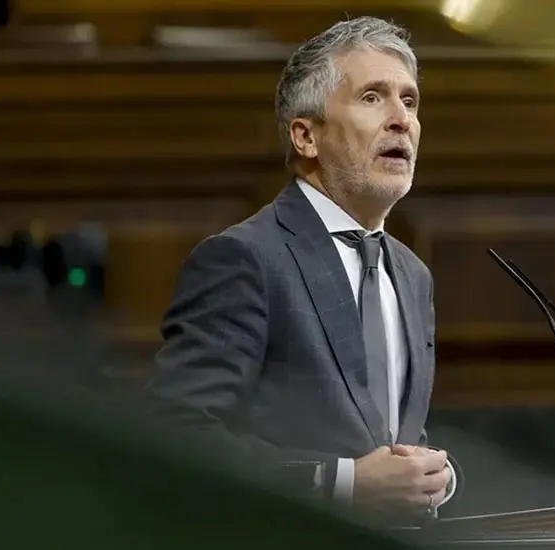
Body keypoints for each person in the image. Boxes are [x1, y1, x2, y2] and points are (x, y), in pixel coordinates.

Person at [145, 16, 457, 522]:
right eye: (373, 97)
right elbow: (175, 438)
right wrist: (341, 484)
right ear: (306, 137)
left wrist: (431, 477)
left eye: (410, 101)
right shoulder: (245, 259)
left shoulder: (412, 274)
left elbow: (387, 440)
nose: (401, 119)